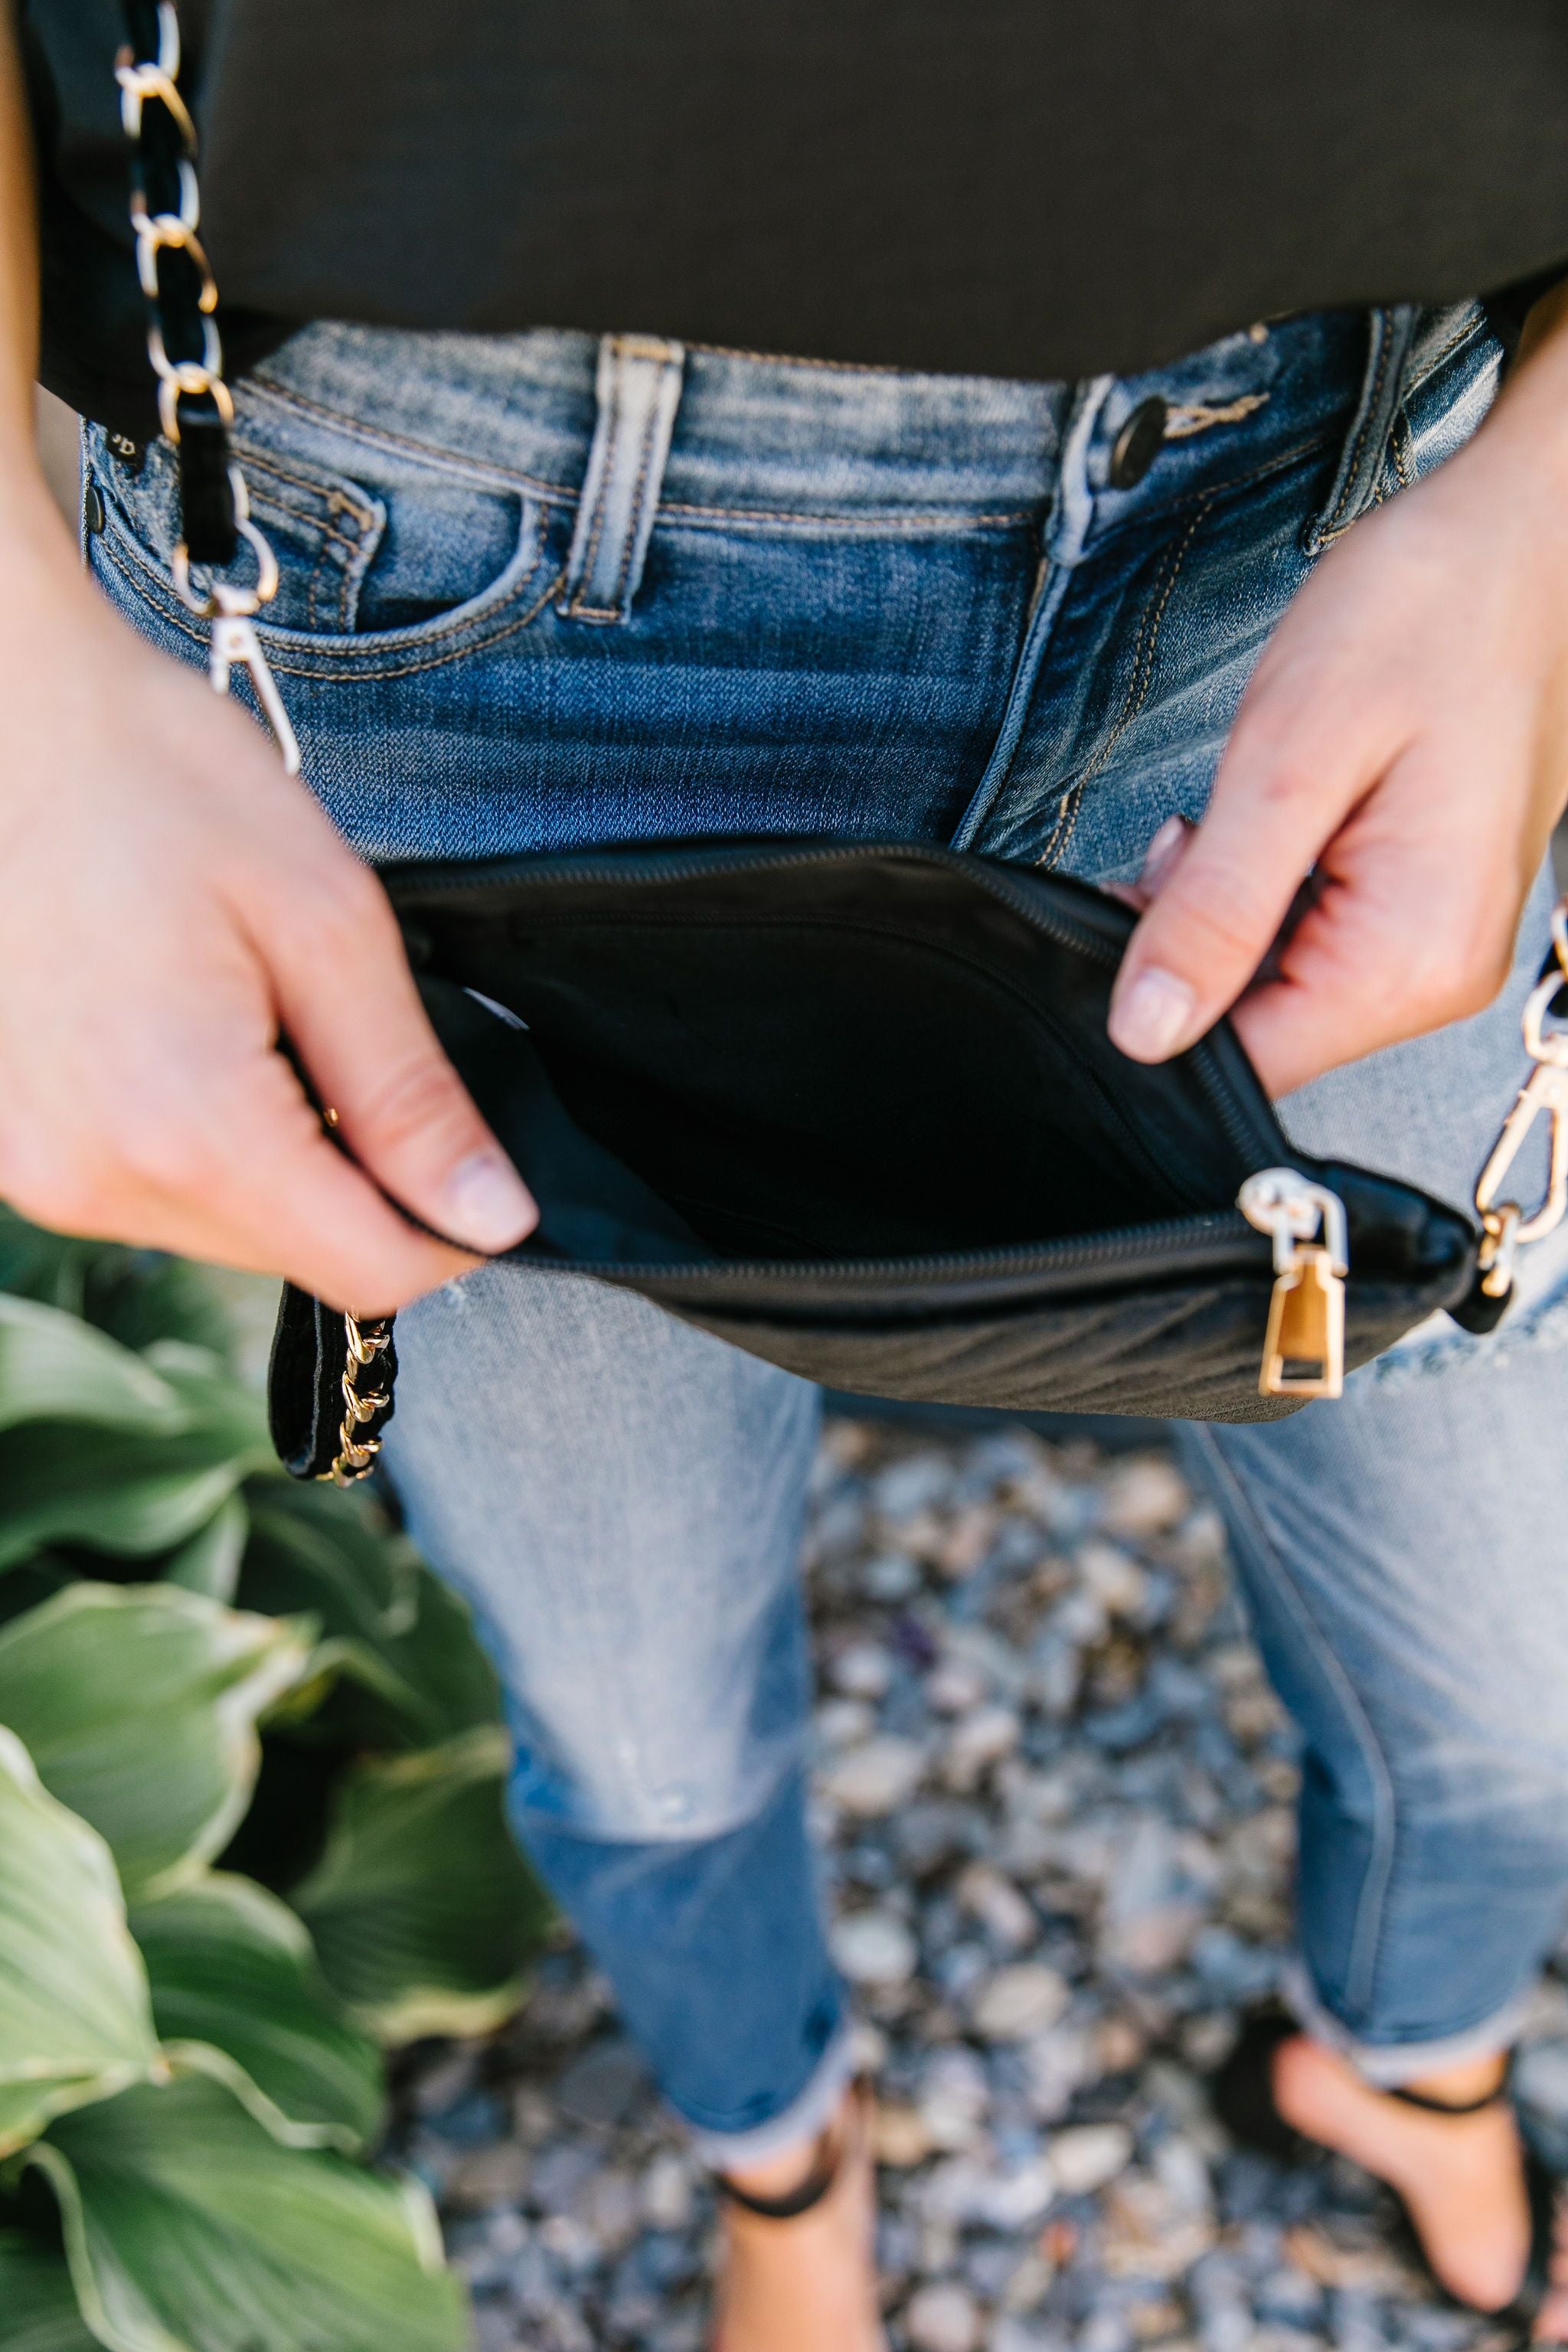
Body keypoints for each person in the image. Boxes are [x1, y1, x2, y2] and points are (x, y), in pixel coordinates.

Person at [8, 5, 1568, 2345]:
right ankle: (780, 2150)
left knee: (1511, 1681)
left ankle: (1409, 2057)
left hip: (1362, 524)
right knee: (628, 1700)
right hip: (426, 581)